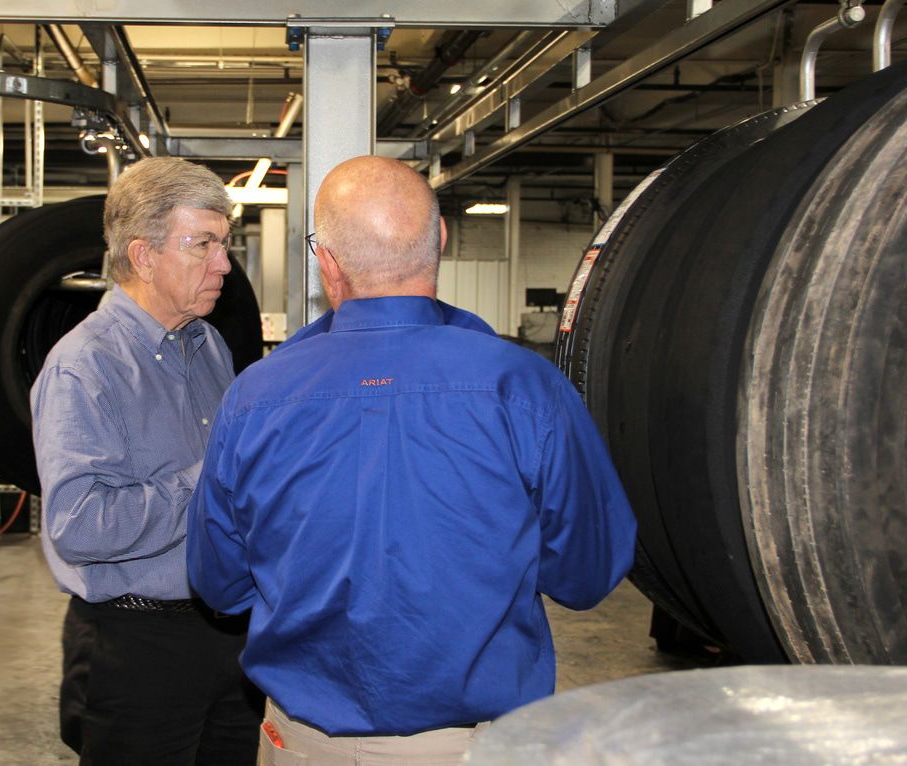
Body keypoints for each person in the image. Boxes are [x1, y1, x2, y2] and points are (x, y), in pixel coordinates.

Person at [186, 155, 638, 764]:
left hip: (300, 742)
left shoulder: (255, 397)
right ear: (442, 238)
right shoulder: (524, 389)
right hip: (471, 745)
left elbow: (221, 582)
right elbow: (586, 574)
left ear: (327, 261)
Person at [30, 156, 264, 765]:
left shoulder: (206, 344)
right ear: (143, 255)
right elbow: (81, 525)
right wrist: (214, 479)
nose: (223, 264)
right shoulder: (85, 366)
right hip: (136, 645)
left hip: (226, 629)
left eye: (225, 243)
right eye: (203, 244)